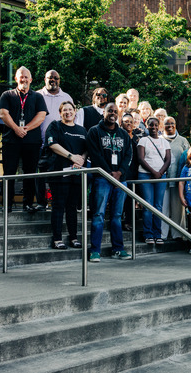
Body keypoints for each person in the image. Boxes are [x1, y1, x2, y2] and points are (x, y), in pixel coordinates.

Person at [86, 103, 133, 262]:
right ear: (104, 113)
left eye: (115, 111)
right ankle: (95, 251)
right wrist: (109, 173)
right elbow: (95, 155)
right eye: (109, 111)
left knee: (117, 215)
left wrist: (119, 173)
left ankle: (118, 249)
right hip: (102, 178)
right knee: (98, 214)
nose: (112, 113)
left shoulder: (123, 134)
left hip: (120, 180)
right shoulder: (94, 131)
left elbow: (128, 156)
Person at [0, 66, 48, 213]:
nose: (24, 79)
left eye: (26, 77)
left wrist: (25, 128)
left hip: (31, 141)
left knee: (30, 172)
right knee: (9, 172)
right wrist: (16, 128)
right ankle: (7, 204)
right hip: (11, 141)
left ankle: (27, 204)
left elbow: (41, 116)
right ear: (16, 78)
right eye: (21, 76)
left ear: (31, 80)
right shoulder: (7, 95)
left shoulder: (38, 97)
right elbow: (3, 114)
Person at [44, 101, 87, 249]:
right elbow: (52, 144)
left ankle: (73, 237)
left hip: (76, 174)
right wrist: (71, 157)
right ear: (60, 113)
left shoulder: (82, 130)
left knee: (72, 207)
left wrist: (80, 160)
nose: (68, 112)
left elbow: (86, 149)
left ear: (75, 111)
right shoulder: (55, 126)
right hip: (59, 173)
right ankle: (57, 239)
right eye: (64, 110)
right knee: (58, 206)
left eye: (70, 109)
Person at [37, 69, 74, 211]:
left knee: (58, 175)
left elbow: (70, 119)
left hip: (60, 145)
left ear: (59, 80)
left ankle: (58, 203)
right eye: (50, 78)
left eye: (56, 78)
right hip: (39, 142)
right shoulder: (37, 95)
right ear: (45, 79)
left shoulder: (66, 97)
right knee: (39, 175)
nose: (53, 80)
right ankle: (41, 202)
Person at [137, 116, 171, 244]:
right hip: (145, 175)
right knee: (147, 205)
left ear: (159, 126)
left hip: (161, 175)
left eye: (156, 125)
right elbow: (141, 158)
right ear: (147, 126)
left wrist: (160, 172)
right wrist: (153, 172)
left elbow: (168, 159)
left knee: (158, 206)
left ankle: (158, 234)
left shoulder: (164, 142)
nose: (154, 127)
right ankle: (148, 234)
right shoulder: (143, 140)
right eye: (151, 125)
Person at [161, 116, 190, 240]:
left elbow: (189, 159)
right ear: (163, 126)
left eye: (172, 123)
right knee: (163, 208)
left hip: (178, 181)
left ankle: (177, 235)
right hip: (163, 180)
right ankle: (162, 234)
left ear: (176, 124)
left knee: (178, 210)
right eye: (167, 124)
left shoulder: (183, 141)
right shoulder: (159, 139)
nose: (170, 126)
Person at [121, 113, 142, 232]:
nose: (129, 124)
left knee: (132, 198)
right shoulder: (120, 135)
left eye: (130, 121)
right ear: (121, 123)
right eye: (126, 121)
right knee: (124, 196)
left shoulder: (137, 137)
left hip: (135, 170)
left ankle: (130, 220)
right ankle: (125, 221)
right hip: (124, 170)